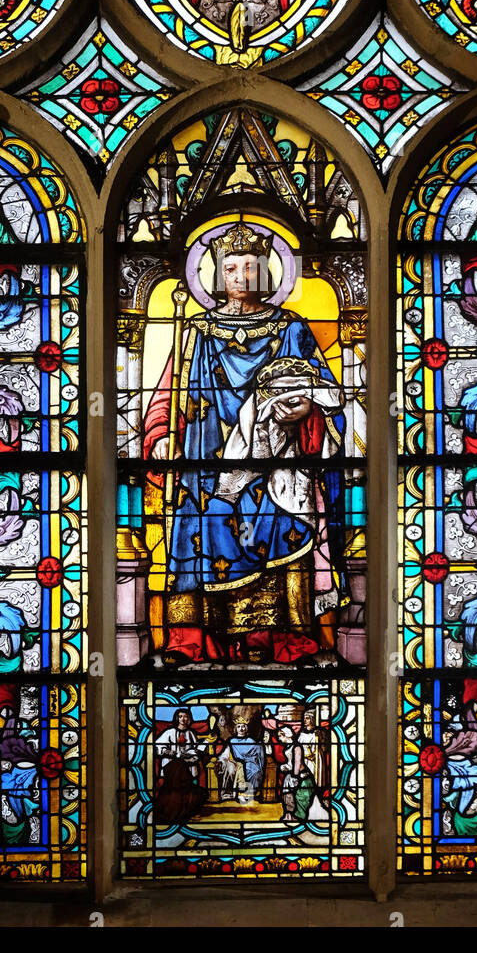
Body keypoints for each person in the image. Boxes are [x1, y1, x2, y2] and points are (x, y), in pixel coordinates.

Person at [143, 221, 347, 666]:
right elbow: (167, 391)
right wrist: (160, 434)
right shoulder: (195, 330)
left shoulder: (291, 329)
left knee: (279, 530)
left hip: (277, 459)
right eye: (231, 267)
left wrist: (306, 412)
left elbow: (329, 393)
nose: (242, 276)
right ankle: (196, 642)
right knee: (203, 532)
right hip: (204, 454)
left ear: (268, 273)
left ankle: (279, 639)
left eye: (251, 267)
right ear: (217, 274)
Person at [154, 708, 208, 825]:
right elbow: (158, 747)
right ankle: (174, 811)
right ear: (177, 718)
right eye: (180, 716)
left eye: (186, 717)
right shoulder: (169, 732)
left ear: (189, 719)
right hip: (172, 766)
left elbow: (196, 749)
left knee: (191, 790)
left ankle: (185, 811)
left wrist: (196, 753)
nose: (183, 719)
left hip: (188, 765)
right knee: (178, 770)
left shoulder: (191, 733)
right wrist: (174, 754)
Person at [215, 718, 267, 804]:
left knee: (255, 770)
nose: (241, 728)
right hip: (236, 763)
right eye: (239, 726)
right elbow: (226, 753)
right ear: (236, 729)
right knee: (237, 767)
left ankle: (249, 793)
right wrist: (221, 760)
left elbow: (257, 752)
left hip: (251, 762)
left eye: (243, 726)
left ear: (246, 729)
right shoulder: (232, 741)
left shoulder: (251, 740)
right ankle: (240, 793)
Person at [275, 724, 316, 823]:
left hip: (301, 776)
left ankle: (298, 816)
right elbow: (291, 763)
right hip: (291, 774)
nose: (279, 739)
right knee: (286, 794)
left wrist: (295, 776)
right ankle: (289, 815)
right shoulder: (288, 747)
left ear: (286, 735)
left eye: (280, 736)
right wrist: (286, 767)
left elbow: (297, 763)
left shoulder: (297, 747)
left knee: (300, 796)